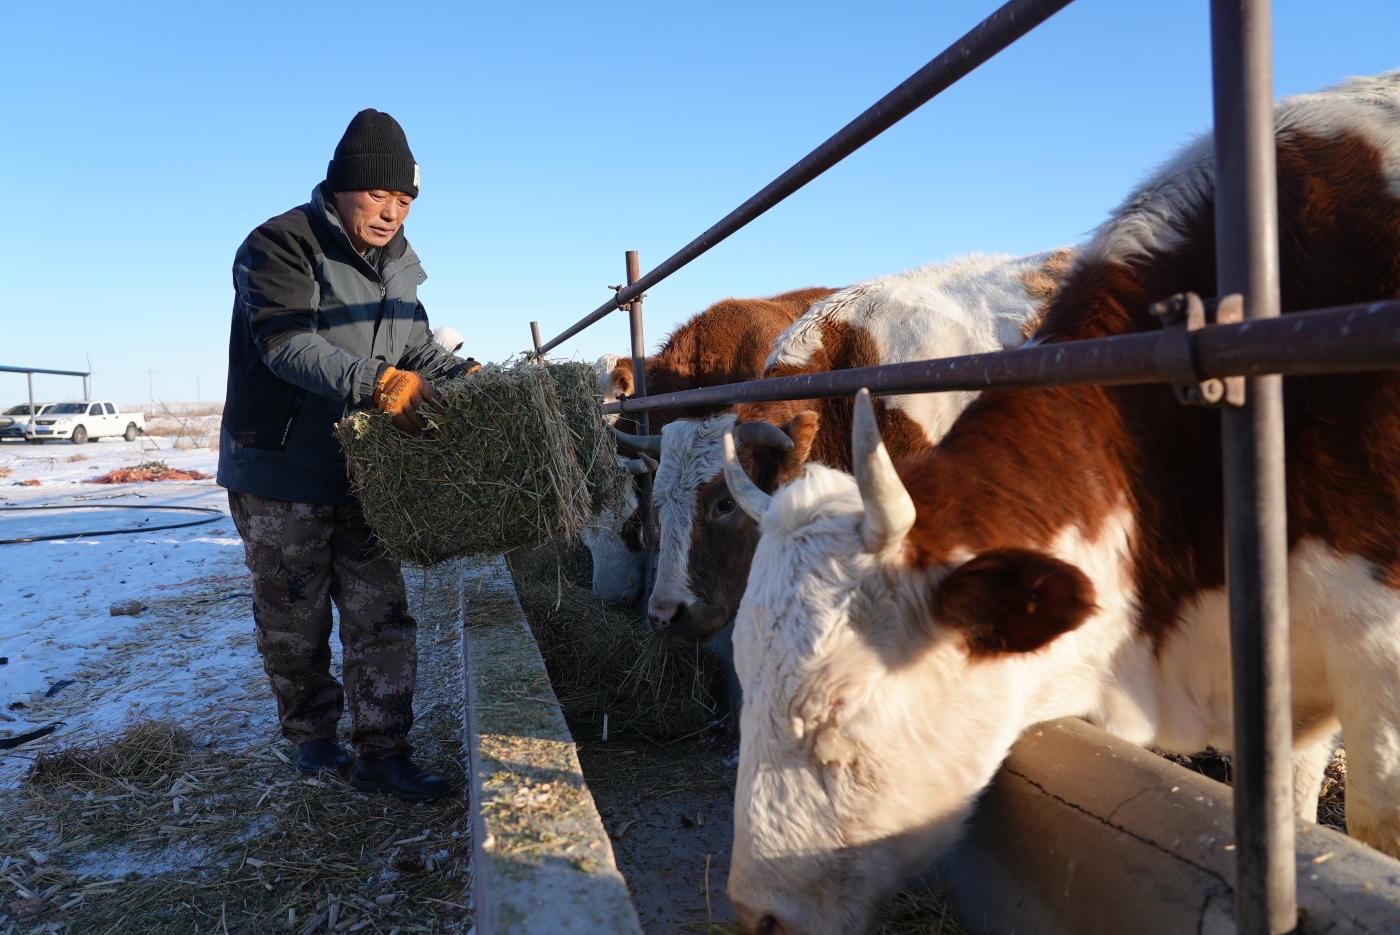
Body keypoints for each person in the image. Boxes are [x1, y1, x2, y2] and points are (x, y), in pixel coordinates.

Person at [218, 109, 476, 802]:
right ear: (341, 187)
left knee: (381, 614)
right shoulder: (280, 245)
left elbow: (415, 346)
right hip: (279, 467)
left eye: (406, 199)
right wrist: (377, 383)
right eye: (379, 195)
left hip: (364, 470)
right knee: (294, 616)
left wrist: (471, 378)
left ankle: (383, 753)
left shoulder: (400, 267)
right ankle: (311, 736)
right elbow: (286, 344)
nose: (392, 212)